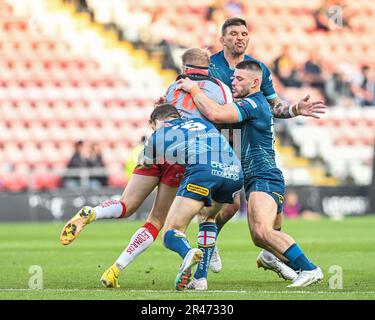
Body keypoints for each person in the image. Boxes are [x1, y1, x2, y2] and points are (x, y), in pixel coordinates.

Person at [59, 48, 232, 288]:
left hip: (156, 145)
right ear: (209, 67)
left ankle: (94, 212)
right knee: (158, 220)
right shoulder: (221, 88)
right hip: (183, 155)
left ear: (184, 68)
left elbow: (163, 110)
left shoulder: (174, 87)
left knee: (125, 205)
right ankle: (116, 269)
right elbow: (226, 117)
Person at [177, 60, 325, 287]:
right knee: (259, 236)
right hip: (254, 177)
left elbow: (215, 114)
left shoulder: (254, 104)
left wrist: (194, 89)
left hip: (263, 176)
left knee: (263, 231)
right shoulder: (250, 103)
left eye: (239, 79)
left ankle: (309, 268)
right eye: (233, 78)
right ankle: (285, 262)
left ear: (255, 82)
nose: (233, 82)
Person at [206, 17, 327, 277]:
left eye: (244, 33)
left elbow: (273, 105)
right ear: (223, 39)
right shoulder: (210, 66)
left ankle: (271, 255)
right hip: (223, 141)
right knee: (230, 205)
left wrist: (295, 109)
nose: (240, 37)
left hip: (251, 144)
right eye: (234, 33)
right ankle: (210, 241)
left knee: (273, 219)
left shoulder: (257, 69)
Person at [137, 104, 242, 290]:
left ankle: (188, 253)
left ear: (156, 122)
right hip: (234, 171)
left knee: (170, 232)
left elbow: (144, 163)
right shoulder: (199, 122)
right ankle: (201, 279)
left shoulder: (159, 134)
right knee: (208, 217)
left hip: (203, 173)